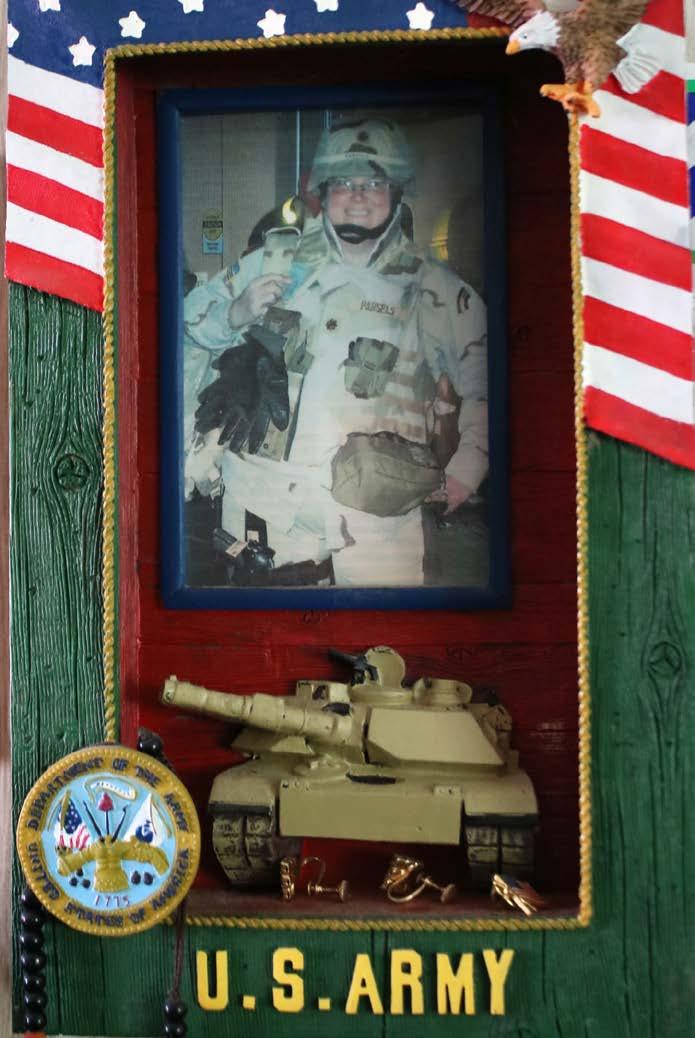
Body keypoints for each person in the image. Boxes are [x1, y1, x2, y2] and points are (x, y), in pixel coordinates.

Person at [182, 117, 488, 588]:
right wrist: (234, 313)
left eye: (374, 183)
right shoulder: (271, 262)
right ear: (322, 191)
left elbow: (490, 380)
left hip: (377, 513)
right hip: (267, 501)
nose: (358, 196)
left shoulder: (434, 288)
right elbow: (187, 325)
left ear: (397, 192)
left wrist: (468, 466)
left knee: (376, 630)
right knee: (267, 628)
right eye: (343, 182)